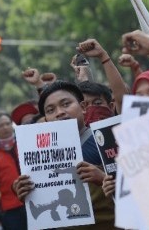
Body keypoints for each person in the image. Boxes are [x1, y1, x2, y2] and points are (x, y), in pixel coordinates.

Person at [13, 81, 115, 229]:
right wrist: (23, 190)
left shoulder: (106, 138)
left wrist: (103, 178)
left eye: (66, 104)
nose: (59, 112)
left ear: (83, 107)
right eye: (50, 110)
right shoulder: (39, 153)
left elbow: (138, 190)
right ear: (46, 119)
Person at [0, 112, 27, 230]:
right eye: (1, 125)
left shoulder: (25, 145)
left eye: (7, 124)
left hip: (35, 201)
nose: (5, 127)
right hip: (11, 209)